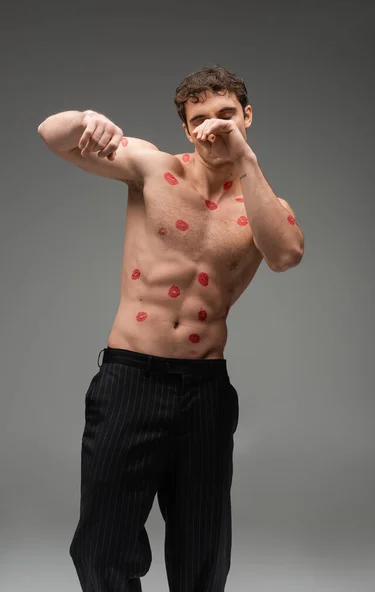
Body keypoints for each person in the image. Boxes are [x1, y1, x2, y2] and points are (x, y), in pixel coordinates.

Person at [38, 65, 304, 592]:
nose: (213, 127)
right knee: (102, 545)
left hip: (205, 390)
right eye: (200, 119)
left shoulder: (264, 207)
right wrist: (87, 120)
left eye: (226, 115)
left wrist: (244, 159)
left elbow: (286, 255)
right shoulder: (153, 167)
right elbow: (52, 133)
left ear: (247, 117)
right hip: (129, 380)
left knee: (203, 551)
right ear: (186, 129)